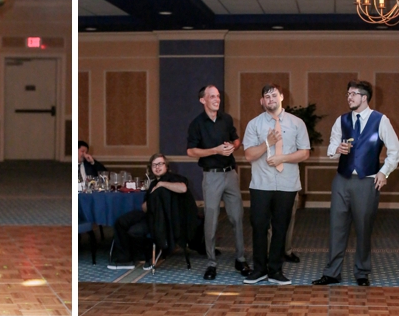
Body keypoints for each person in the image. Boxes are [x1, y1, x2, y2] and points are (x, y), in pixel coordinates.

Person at [313, 79, 399, 287]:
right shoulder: (341, 120)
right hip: (342, 181)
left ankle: (362, 272)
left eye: (353, 94)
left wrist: (384, 173)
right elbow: (330, 148)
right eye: (347, 94)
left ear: (364, 97)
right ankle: (332, 272)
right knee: (336, 227)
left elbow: (395, 151)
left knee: (364, 228)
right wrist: (337, 150)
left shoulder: (381, 120)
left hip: (367, 182)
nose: (349, 97)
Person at [242, 84, 310, 285]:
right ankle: (259, 270)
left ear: (282, 97)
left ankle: (275, 270)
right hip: (261, 184)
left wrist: (283, 158)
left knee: (281, 228)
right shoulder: (254, 124)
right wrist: (267, 143)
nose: (270, 99)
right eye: (266, 96)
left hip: (287, 185)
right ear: (262, 101)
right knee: (259, 227)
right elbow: (248, 155)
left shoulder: (297, 123)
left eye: (274, 95)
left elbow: (305, 152)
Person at [186, 84, 250, 281]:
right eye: (212, 96)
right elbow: (191, 151)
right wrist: (215, 150)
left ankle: (240, 259)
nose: (217, 99)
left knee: (237, 218)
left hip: (230, 174)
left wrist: (232, 146)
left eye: (218, 96)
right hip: (211, 176)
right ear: (202, 100)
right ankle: (211, 263)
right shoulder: (196, 124)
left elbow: (237, 140)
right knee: (211, 221)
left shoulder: (226, 119)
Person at [107, 153, 190, 269]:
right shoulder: (152, 183)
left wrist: (162, 184)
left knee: (134, 231)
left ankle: (147, 254)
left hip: (164, 219)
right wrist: (150, 199)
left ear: (166, 166)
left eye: (160, 164)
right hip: (149, 214)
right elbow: (144, 207)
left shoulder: (173, 178)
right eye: (154, 165)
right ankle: (124, 259)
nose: (157, 167)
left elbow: (183, 188)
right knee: (120, 222)